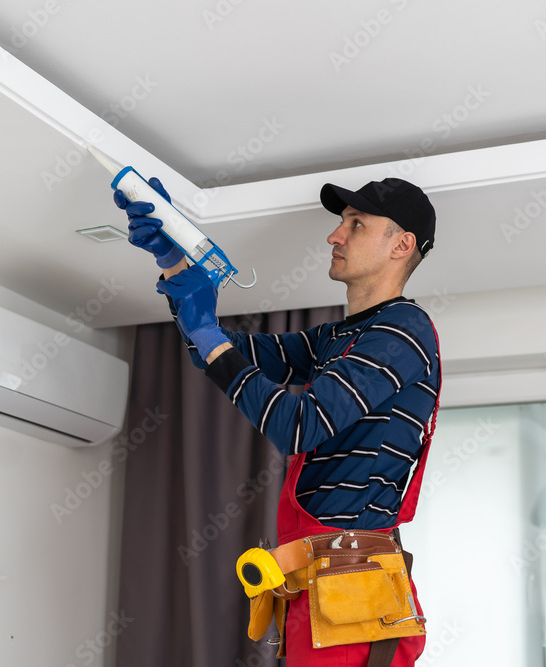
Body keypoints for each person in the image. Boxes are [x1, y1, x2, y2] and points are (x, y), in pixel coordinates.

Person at [114, 176, 441, 667]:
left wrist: (208, 335)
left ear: (401, 245)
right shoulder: (338, 337)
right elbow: (219, 354)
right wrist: (174, 260)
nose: (335, 236)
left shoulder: (402, 330)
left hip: (354, 596)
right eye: (340, 223)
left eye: (356, 224)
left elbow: (298, 426)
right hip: (322, 589)